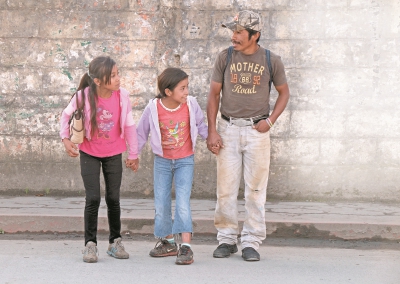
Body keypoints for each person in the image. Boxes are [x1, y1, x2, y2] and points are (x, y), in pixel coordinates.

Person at [206, 10, 290, 261]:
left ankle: (251, 241)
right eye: (233, 31)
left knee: (255, 190)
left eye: (239, 32)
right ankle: (227, 239)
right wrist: (212, 130)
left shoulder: (271, 60)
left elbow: (284, 93)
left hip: (257, 132)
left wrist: (270, 121)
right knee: (226, 189)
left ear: (255, 35)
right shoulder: (226, 57)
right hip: (228, 129)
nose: (234, 36)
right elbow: (213, 95)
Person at [59, 56, 139, 263]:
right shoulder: (83, 96)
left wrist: (134, 153)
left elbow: (129, 126)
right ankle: (90, 244)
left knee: (113, 199)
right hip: (89, 153)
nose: (118, 78)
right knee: (93, 198)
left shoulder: (122, 96)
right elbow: (65, 116)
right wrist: (65, 139)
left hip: (114, 153)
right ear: (98, 81)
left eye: (118, 73)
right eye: (112, 75)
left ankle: (115, 242)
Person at [136, 67, 209, 265]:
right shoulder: (153, 108)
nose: (187, 92)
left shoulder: (191, 104)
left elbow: (201, 125)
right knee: (161, 202)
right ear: (168, 92)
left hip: (185, 160)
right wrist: (134, 154)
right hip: (162, 161)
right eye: (182, 88)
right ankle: (168, 242)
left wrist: (211, 139)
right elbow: (141, 132)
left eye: (187, 87)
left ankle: (186, 247)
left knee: (183, 202)